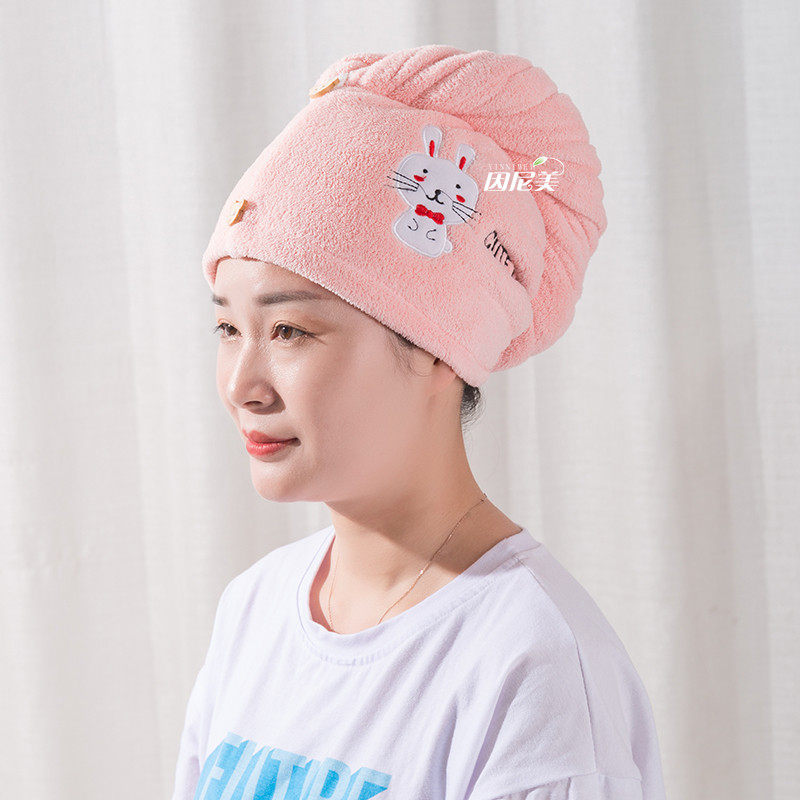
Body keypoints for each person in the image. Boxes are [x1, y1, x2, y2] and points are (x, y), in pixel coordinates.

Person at [171, 45, 667, 800]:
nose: (242, 385)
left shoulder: (535, 668)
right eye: (228, 329)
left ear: (440, 344)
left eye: (290, 331)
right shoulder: (255, 611)